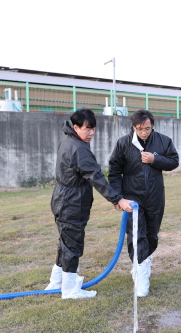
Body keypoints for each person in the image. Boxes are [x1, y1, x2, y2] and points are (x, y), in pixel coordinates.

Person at [45, 108, 133, 299]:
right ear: (75, 127)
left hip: (64, 198)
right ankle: (69, 290)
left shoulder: (69, 141)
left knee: (65, 242)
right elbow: (96, 177)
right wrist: (117, 199)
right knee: (72, 244)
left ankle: (57, 282)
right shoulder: (78, 148)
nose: (91, 133)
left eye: (93, 128)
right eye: (87, 129)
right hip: (71, 202)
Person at [108, 109, 179, 297]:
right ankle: (141, 277)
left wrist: (156, 159)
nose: (144, 132)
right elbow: (114, 171)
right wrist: (118, 198)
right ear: (133, 127)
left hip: (155, 195)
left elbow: (174, 161)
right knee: (137, 235)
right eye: (139, 129)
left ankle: (143, 264)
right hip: (132, 197)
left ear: (152, 125)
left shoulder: (163, 141)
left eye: (147, 128)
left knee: (152, 235)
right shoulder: (124, 143)